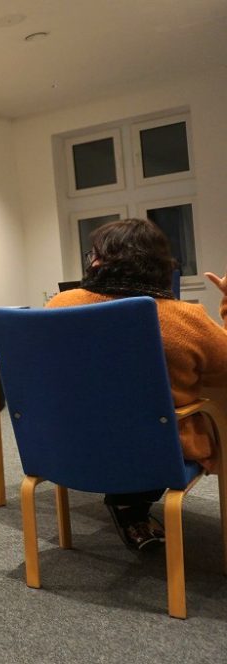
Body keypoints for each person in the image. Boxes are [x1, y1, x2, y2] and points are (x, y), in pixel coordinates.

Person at [47, 218, 227, 551]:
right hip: (153, 452)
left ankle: (129, 505)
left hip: (72, 444)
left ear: (102, 262)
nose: (92, 261)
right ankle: (131, 504)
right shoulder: (185, 318)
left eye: (95, 255)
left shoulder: (60, 306)